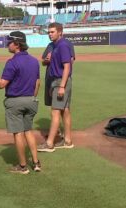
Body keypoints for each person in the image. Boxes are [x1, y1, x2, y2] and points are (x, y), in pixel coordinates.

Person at [0, 31, 41, 174]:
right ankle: (36, 163)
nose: (7, 44)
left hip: (15, 102)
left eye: (9, 42)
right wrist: (32, 98)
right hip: (31, 100)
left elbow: (1, 84)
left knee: (18, 133)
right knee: (28, 131)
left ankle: (22, 166)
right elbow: (37, 83)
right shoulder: (34, 61)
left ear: (17, 45)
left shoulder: (12, 62)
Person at [38, 22, 75, 153]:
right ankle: (68, 140)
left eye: (52, 32)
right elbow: (45, 62)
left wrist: (61, 86)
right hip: (55, 81)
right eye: (48, 32)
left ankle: (49, 144)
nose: (50, 34)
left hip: (60, 81)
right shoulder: (53, 45)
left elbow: (67, 66)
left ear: (60, 32)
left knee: (55, 112)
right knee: (65, 110)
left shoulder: (63, 45)